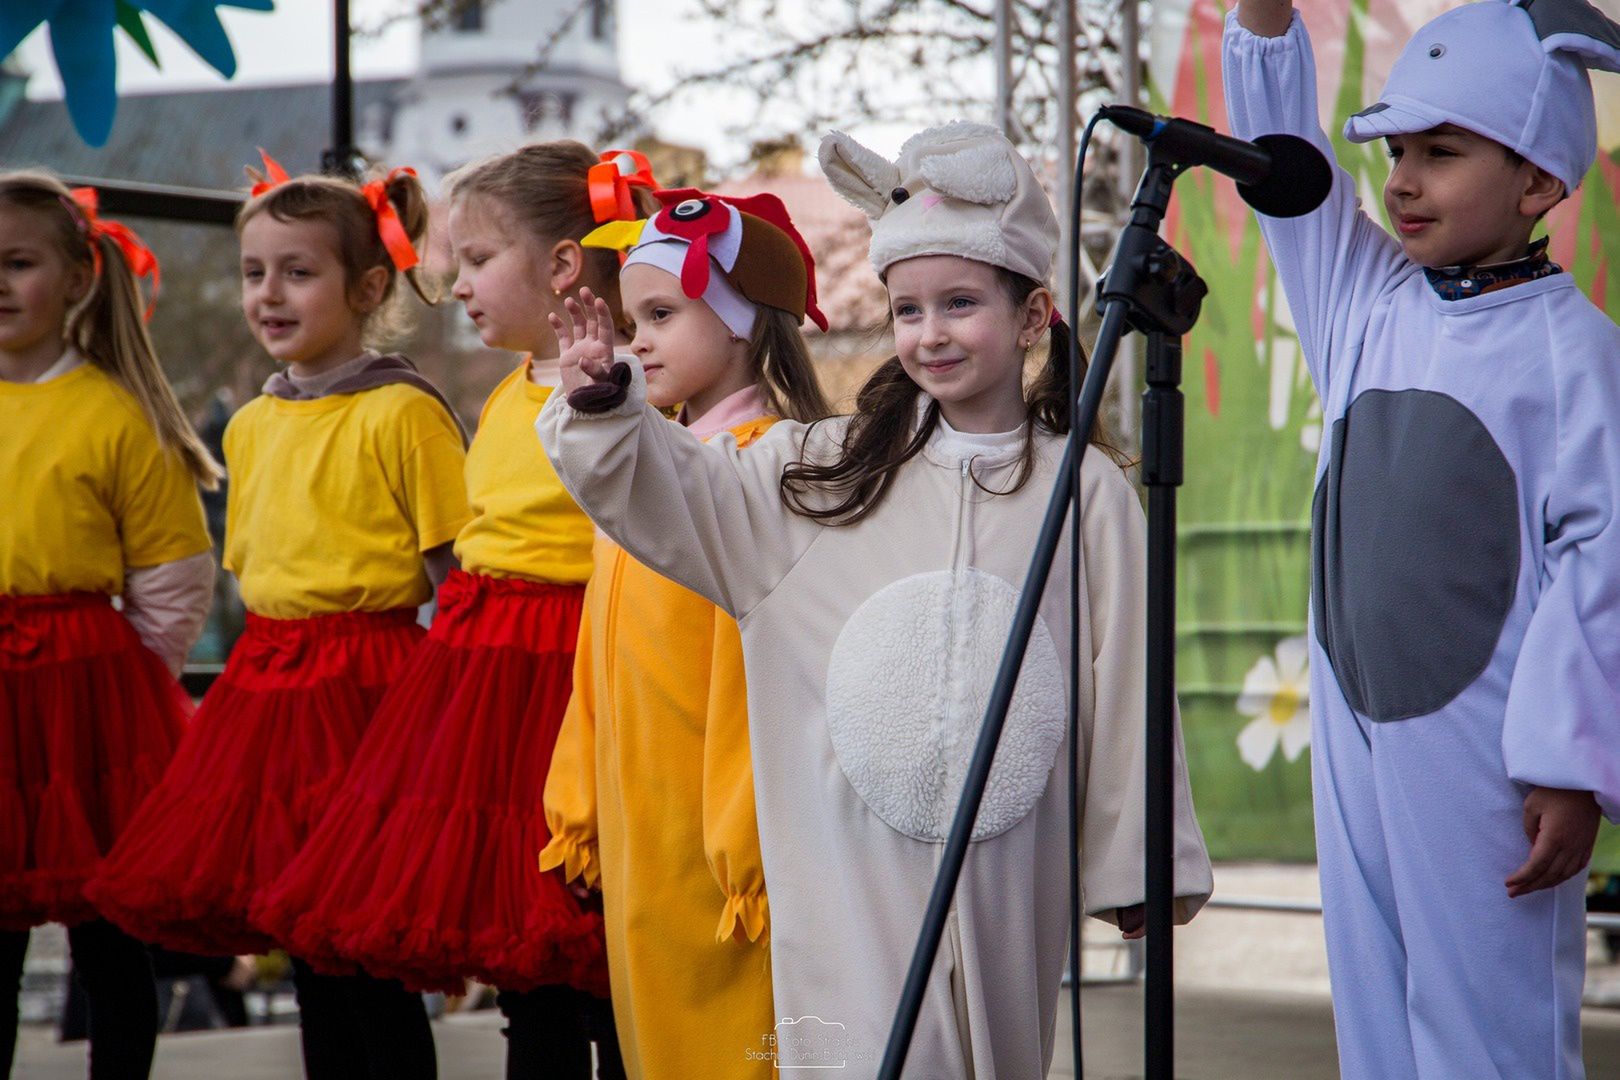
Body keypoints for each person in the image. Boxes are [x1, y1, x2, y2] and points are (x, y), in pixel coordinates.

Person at [538, 122, 1213, 1077]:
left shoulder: (1084, 491)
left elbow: (1127, 675)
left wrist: (1139, 854)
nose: (930, 332)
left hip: (1007, 877)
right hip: (846, 881)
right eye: (908, 309)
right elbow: (671, 497)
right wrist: (608, 410)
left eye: (962, 302)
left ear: (1032, 316)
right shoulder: (819, 473)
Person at [1224, 1, 1620, 1075]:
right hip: (1360, 729)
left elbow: (1603, 569)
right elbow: (1283, 164)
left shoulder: (1578, 354)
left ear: (1539, 180)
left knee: (1484, 1034)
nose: (1401, 179)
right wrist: (1264, 18)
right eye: (1398, 149)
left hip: (1489, 753)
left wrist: (1568, 767)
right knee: (1377, 1029)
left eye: (1441, 153)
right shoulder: (1368, 299)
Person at [251, 142, 653, 1080]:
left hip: (570, 679)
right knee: (531, 966)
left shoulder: (628, 387)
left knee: (596, 952)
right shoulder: (510, 389)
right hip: (484, 681)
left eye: (476, 261)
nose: (456, 285)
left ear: (561, 266)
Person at [86, 157, 469, 1080]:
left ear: (369, 286)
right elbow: (257, 569)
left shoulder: (404, 412)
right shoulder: (253, 423)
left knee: (359, 950)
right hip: (269, 691)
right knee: (303, 945)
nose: (269, 294)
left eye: (299, 272)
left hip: (368, 689)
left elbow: (456, 575)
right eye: (255, 272)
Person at [539, 186, 832, 1078]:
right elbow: (599, 654)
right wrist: (580, 798)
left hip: (720, 852)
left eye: (662, 314)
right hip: (644, 829)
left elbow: (766, 678)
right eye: (635, 323)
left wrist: (747, 841)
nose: (641, 343)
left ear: (742, 321)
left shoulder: (771, 469)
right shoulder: (652, 474)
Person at [0, 171, 219, 1080]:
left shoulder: (117, 415)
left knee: (107, 939)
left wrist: (111, 683)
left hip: (88, 701)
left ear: (80, 279)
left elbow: (173, 576)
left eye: (18, 263)